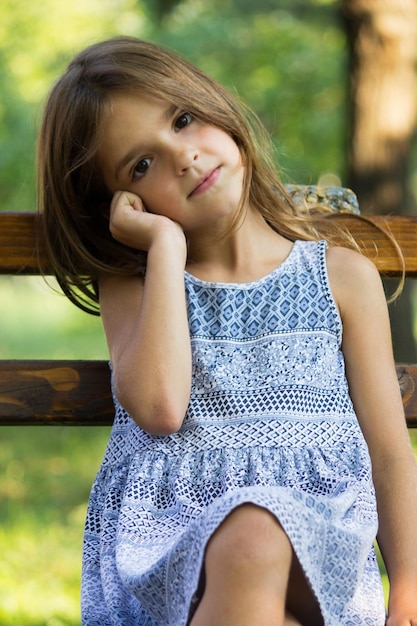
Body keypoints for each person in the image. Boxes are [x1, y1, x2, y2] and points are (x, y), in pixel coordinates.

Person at [37, 36, 417, 626]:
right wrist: (165, 248)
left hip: (325, 551)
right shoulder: (137, 284)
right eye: (142, 164)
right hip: (176, 549)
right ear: (120, 202)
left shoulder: (340, 278)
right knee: (253, 539)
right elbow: (160, 408)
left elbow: (389, 453)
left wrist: (410, 588)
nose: (183, 156)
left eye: (183, 120)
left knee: (259, 537)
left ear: (214, 104)